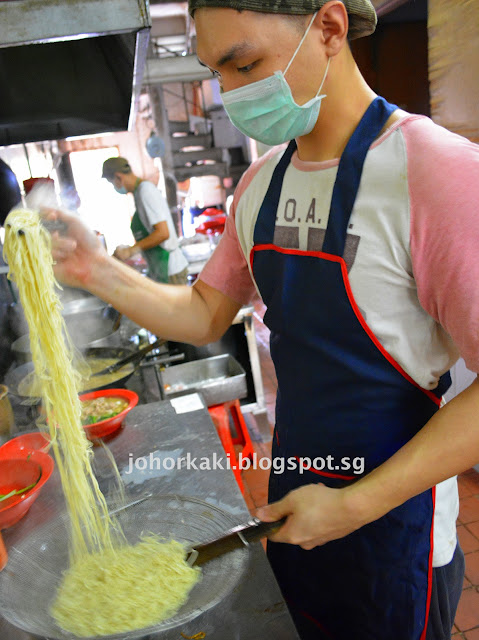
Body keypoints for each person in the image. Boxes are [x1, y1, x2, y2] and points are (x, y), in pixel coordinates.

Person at [45, 1, 479, 638]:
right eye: (216, 71)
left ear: (329, 29)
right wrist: (95, 271)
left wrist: (354, 505)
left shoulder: (437, 173)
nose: (228, 93)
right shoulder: (261, 184)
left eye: (244, 63)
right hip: (296, 497)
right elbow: (201, 314)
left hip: (394, 521)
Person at [101, 157, 188, 284]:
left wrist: (130, 251)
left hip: (171, 269)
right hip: (161, 267)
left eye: (112, 182)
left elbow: (163, 233)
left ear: (118, 177)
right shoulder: (139, 193)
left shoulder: (145, 191)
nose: (114, 187)